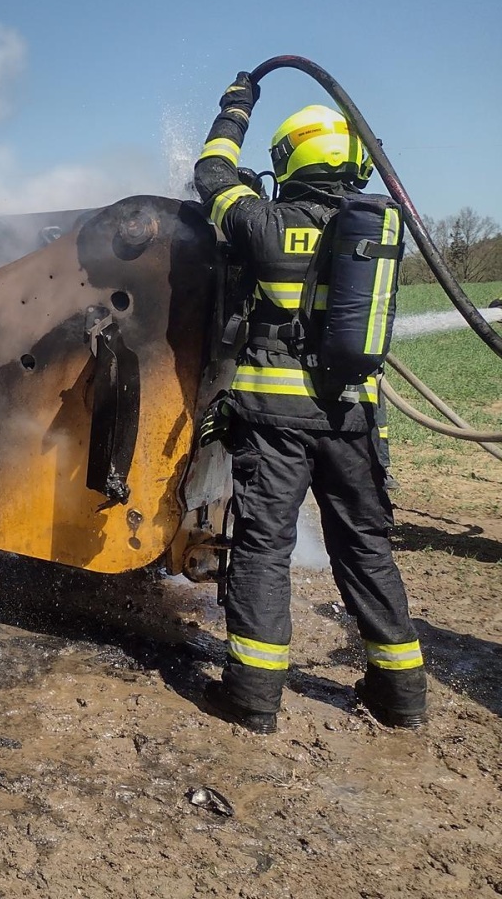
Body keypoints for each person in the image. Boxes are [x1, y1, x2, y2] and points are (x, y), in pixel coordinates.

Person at [192, 73, 427, 733]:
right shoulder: (376, 232)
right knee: (366, 549)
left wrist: (236, 108)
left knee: (264, 551)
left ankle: (252, 699)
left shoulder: (266, 222)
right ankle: (402, 696)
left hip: (275, 425)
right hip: (353, 419)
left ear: (288, 159)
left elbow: (212, 175)